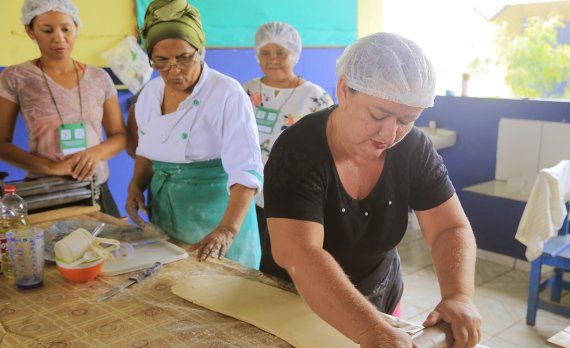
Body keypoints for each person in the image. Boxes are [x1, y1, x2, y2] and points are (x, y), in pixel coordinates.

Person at [261, 32, 481, 348]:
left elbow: (449, 227)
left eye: (406, 120)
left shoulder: (412, 148)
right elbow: (299, 253)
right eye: (378, 115)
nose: (389, 134)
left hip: (380, 292)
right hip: (299, 302)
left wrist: (458, 295)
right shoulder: (298, 150)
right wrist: (369, 330)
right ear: (345, 90)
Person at [125, 0, 263, 269]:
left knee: (222, 295)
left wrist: (227, 230)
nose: (173, 70)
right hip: (166, 213)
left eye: (183, 58)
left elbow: (246, 171)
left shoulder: (226, 92)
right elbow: (147, 148)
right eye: (161, 62)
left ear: (200, 51)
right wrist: (135, 185)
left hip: (218, 216)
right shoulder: (150, 94)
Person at [0, 0, 127, 217]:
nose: (59, 37)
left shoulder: (99, 78)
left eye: (66, 29)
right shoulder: (16, 77)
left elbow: (120, 136)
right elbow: (1, 143)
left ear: (76, 28)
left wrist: (95, 153)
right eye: (47, 30)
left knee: (108, 249)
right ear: (30, 31)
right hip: (44, 191)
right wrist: (50, 167)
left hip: (95, 189)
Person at [242, 22, 333, 244]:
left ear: (294, 54)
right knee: (255, 256)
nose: (273, 59)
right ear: (257, 55)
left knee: (288, 254)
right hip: (250, 192)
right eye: (265, 53)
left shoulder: (316, 98)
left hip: (296, 192)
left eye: (280, 53)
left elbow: (329, 147)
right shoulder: (246, 91)